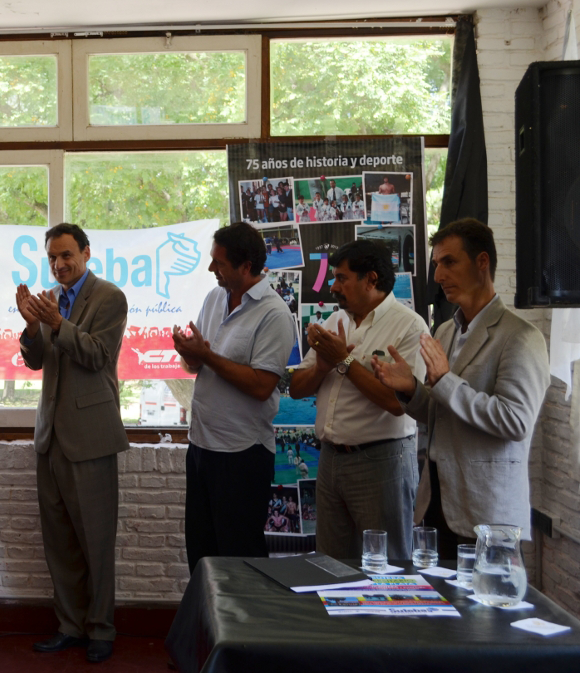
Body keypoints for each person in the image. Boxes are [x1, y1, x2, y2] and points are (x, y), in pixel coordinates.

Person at [373, 219, 550, 557]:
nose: (439, 275)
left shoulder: (521, 337)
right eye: (436, 264)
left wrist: (445, 380)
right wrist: (410, 388)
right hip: (437, 504)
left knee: (485, 595)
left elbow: (515, 422)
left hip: (488, 514)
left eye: (449, 262)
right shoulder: (444, 331)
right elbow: (441, 413)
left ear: (482, 262)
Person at [16, 223, 129, 665]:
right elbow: (37, 361)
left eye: (66, 255)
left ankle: (101, 629)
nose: (59, 264)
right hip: (50, 438)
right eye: (52, 258)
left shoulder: (109, 297)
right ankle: (69, 626)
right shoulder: (50, 301)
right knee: (59, 543)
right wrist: (31, 327)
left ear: (86, 253)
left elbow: (98, 355)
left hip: (91, 436)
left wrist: (56, 323)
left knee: (95, 543)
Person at [289, 240, 428, 561]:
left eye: (342, 278)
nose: (333, 286)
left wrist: (344, 360)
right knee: (331, 566)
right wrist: (322, 367)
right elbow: (296, 388)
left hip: (382, 463)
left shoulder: (410, 326)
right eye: (334, 278)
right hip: (330, 460)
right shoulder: (333, 322)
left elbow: (398, 404)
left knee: (386, 566)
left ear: (371, 280)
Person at [172, 222, 294, 571]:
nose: (211, 268)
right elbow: (197, 364)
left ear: (246, 266)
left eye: (220, 263)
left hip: (242, 453)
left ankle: (244, 611)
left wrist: (207, 356)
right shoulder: (215, 297)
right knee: (201, 555)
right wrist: (190, 354)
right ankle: (207, 610)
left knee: (240, 559)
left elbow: (261, 385)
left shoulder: (274, 313)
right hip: (201, 445)